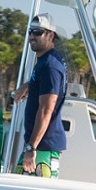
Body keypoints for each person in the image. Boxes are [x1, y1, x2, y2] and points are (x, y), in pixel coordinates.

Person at [13, 13, 67, 178]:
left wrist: (31, 148)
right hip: (39, 147)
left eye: (38, 32)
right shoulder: (46, 62)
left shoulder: (50, 66)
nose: (31, 36)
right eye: (30, 31)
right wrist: (29, 85)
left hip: (42, 149)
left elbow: (46, 110)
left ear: (50, 35)